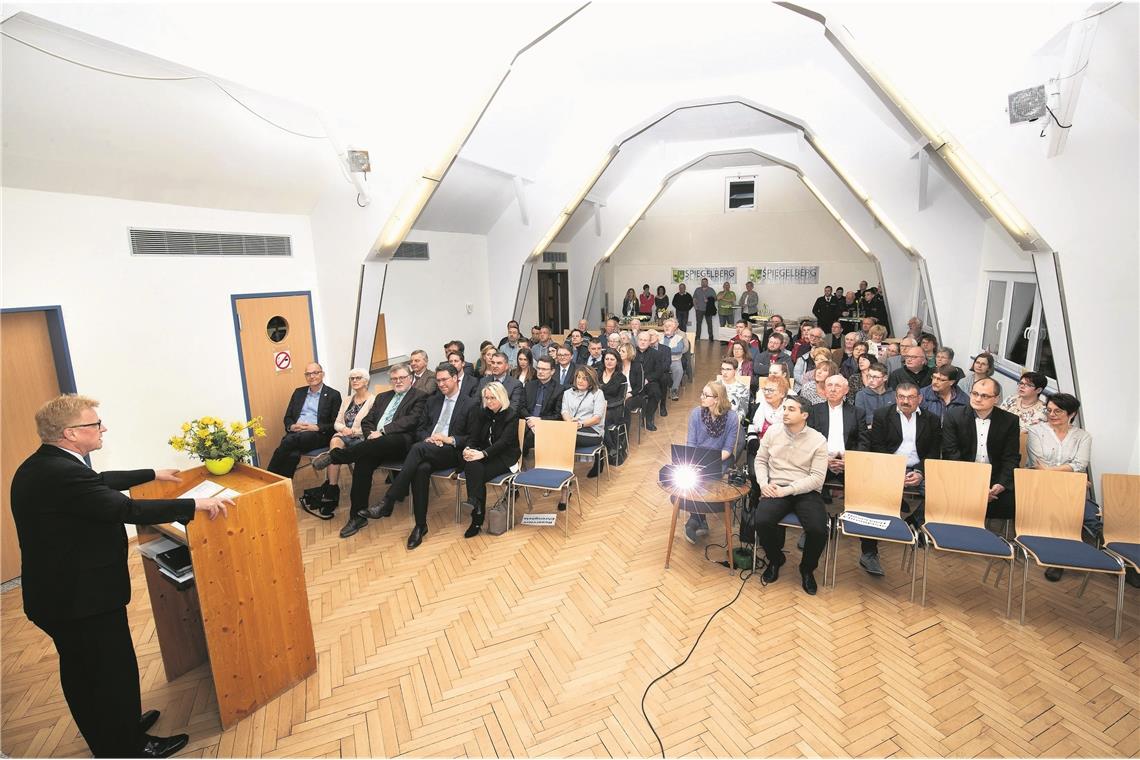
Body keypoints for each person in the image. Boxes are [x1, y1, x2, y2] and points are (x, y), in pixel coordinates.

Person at [11, 394, 232, 759]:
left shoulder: (48, 464)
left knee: (96, 669)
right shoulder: (61, 473)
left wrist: (151, 474)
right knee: (104, 673)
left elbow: (100, 481)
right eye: (95, 423)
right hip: (78, 601)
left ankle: (119, 725)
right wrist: (194, 505)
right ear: (71, 433)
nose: (103, 428)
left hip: (65, 594)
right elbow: (125, 508)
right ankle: (127, 746)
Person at [368, 363, 479, 550]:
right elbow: (419, 429)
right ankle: (420, 526)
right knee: (421, 468)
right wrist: (428, 438)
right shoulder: (433, 400)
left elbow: (473, 437)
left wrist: (448, 439)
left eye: (445, 379)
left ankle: (389, 500)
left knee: (417, 450)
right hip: (428, 447)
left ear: (455, 379)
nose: (441, 383)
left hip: (452, 451)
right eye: (438, 380)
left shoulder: (471, 403)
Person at [318, 364, 427, 536]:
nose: (398, 381)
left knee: (378, 444)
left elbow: (411, 421)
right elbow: (367, 421)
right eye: (394, 379)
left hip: (401, 443)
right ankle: (357, 516)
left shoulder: (420, 396)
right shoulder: (383, 397)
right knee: (363, 462)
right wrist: (370, 434)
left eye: (402, 378)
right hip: (374, 443)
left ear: (410, 378)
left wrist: (382, 432)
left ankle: (337, 456)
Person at [857, 383, 942, 576]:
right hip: (888, 467)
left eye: (911, 397)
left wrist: (920, 472)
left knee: (941, 492)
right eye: (901, 396)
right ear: (896, 398)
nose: (905, 401)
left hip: (918, 469)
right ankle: (869, 552)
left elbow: (933, 452)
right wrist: (894, 471)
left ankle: (914, 521)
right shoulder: (882, 415)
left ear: (919, 399)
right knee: (873, 499)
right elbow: (877, 447)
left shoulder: (932, 420)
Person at [752, 396, 830, 595]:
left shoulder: (818, 440)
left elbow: (817, 478)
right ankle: (775, 559)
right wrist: (763, 484)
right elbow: (760, 460)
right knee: (762, 521)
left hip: (805, 491)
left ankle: (807, 569)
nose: (785, 412)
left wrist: (787, 490)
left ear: (804, 415)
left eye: (791, 409)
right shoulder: (773, 431)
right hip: (775, 486)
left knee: (818, 529)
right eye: (784, 408)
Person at [942, 378, 1020, 520]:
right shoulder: (953, 416)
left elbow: (1011, 457)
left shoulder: (1010, 421)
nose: (977, 399)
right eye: (975, 393)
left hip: (995, 478)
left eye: (984, 396)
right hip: (962, 474)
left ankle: (991, 538)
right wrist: (974, 486)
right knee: (945, 497)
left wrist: (1001, 484)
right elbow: (951, 453)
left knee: (1015, 503)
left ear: (996, 399)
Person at [302, 368, 375, 518]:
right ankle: (333, 487)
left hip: (360, 438)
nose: (354, 381)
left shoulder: (374, 400)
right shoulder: (347, 399)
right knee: (335, 441)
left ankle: (331, 487)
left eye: (358, 378)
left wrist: (353, 431)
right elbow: (337, 422)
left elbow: (371, 425)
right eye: (352, 378)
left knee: (335, 453)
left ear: (366, 381)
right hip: (343, 435)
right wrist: (344, 429)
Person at [459, 382, 521, 539]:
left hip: (505, 456)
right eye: (486, 398)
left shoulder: (511, 414)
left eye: (493, 398)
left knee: (476, 471)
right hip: (485, 453)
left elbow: (504, 443)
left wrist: (482, 454)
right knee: (473, 465)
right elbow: (473, 437)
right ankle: (475, 504)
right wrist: (468, 449)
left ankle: (476, 518)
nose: (489, 401)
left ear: (501, 397)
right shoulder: (482, 413)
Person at [681, 383, 741, 543]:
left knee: (703, 476)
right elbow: (691, 443)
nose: (701, 397)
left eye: (706, 395)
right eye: (702, 393)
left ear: (717, 399)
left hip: (721, 458)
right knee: (692, 476)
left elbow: (728, 449)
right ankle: (698, 518)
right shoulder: (696, 414)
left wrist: (707, 462)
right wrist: (694, 462)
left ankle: (696, 520)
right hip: (698, 456)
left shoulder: (732, 418)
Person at [266, 362, 342, 477]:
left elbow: (336, 423)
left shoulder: (333, 395)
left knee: (288, 441)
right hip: (297, 433)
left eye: (315, 373)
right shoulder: (298, 393)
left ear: (323, 374)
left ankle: (269, 478)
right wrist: (291, 426)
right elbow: (288, 417)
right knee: (293, 454)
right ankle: (283, 487)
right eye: (308, 374)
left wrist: (316, 427)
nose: (312, 376)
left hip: (318, 434)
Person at [807, 375, 864, 487]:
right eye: (829, 385)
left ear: (846, 390)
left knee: (860, 492)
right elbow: (807, 440)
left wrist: (850, 459)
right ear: (825, 389)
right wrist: (824, 459)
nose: (833, 389)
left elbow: (863, 442)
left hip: (849, 462)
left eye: (837, 386)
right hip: (820, 461)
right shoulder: (814, 411)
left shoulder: (857, 412)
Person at [562, 366, 607, 482]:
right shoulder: (567, 393)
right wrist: (569, 423)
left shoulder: (598, 393)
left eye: (585, 378)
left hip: (592, 430)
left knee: (565, 438)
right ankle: (561, 472)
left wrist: (580, 424)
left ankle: (565, 475)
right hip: (572, 429)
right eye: (578, 377)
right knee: (560, 436)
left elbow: (597, 418)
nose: (580, 381)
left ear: (591, 380)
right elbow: (564, 411)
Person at [522, 355, 565, 455]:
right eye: (539, 368)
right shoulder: (529, 385)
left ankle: (519, 462)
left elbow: (557, 415)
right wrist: (530, 419)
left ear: (552, 371)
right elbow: (521, 407)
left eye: (544, 369)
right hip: (527, 422)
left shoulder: (559, 389)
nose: (540, 372)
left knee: (528, 437)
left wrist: (539, 421)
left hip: (546, 424)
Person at [598, 349, 629, 464]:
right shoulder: (597, 375)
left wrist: (607, 405)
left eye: (612, 359)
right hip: (598, 407)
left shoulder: (621, 378)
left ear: (617, 362)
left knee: (601, 418)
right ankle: (612, 446)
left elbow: (620, 399)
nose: (609, 362)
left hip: (614, 409)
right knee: (597, 416)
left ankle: (610, 448)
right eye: (607, 359)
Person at [635, 331, 664, 431]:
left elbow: (659, 371)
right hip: (634, 382)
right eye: (641, 340)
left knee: (656, 392)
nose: (642, 342)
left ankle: (649, 418)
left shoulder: (656, 354)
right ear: (637, 341)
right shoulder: (631, 352)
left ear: (649, 342)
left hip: (649, 381)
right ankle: (639, 415)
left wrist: (647, 379)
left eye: (645, 340)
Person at [660, 318, 689, 402]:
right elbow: (656, 349)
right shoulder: (659, 336)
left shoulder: (679, 337)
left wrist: (665, 351)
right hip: (661, 360)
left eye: (669, 326)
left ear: (674, 327)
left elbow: (679, 349)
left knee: (679, 370)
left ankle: (674, 389)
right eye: (665, 326)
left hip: (674, 359)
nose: (667, 328)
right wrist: (669, 350)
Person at [692, 277, 717, 342]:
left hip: (708, 310)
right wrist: (695, 307)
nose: (703, 283)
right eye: (702, 282)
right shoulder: (697, 289)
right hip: (699, 310)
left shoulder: (711, 290)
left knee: (709, 324)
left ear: (707, 283)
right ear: (701, 283)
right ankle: (697, 338)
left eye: (705, 282)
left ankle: (711, 338)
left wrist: (708, 300)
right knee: (698, 324)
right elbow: (694, 298)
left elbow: (715, 299)